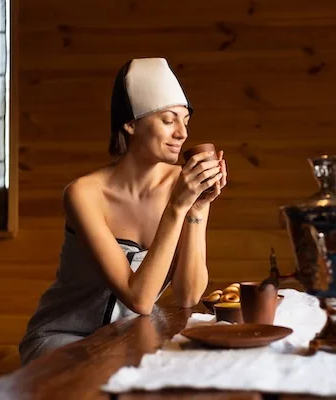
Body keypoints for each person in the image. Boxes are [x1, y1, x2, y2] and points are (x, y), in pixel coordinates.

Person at [18, 57, 227, 365]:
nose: (182, 134)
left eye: (186, 122)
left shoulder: (184, 185)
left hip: (129, 335)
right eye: (169, 121)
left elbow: (188, 297)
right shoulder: (84, 194)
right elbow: (140, 299)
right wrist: (177, 207)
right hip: (66, 337)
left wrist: (196, 208)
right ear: (131, 124)